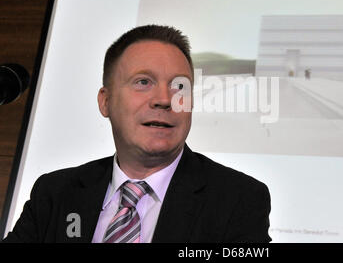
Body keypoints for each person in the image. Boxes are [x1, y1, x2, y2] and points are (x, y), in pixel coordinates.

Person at [2, 25, 271, 243]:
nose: (165, 99)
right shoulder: (55, 193)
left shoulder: (238, 200)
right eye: (143, 82)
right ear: (105, 102)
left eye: (180, 86)